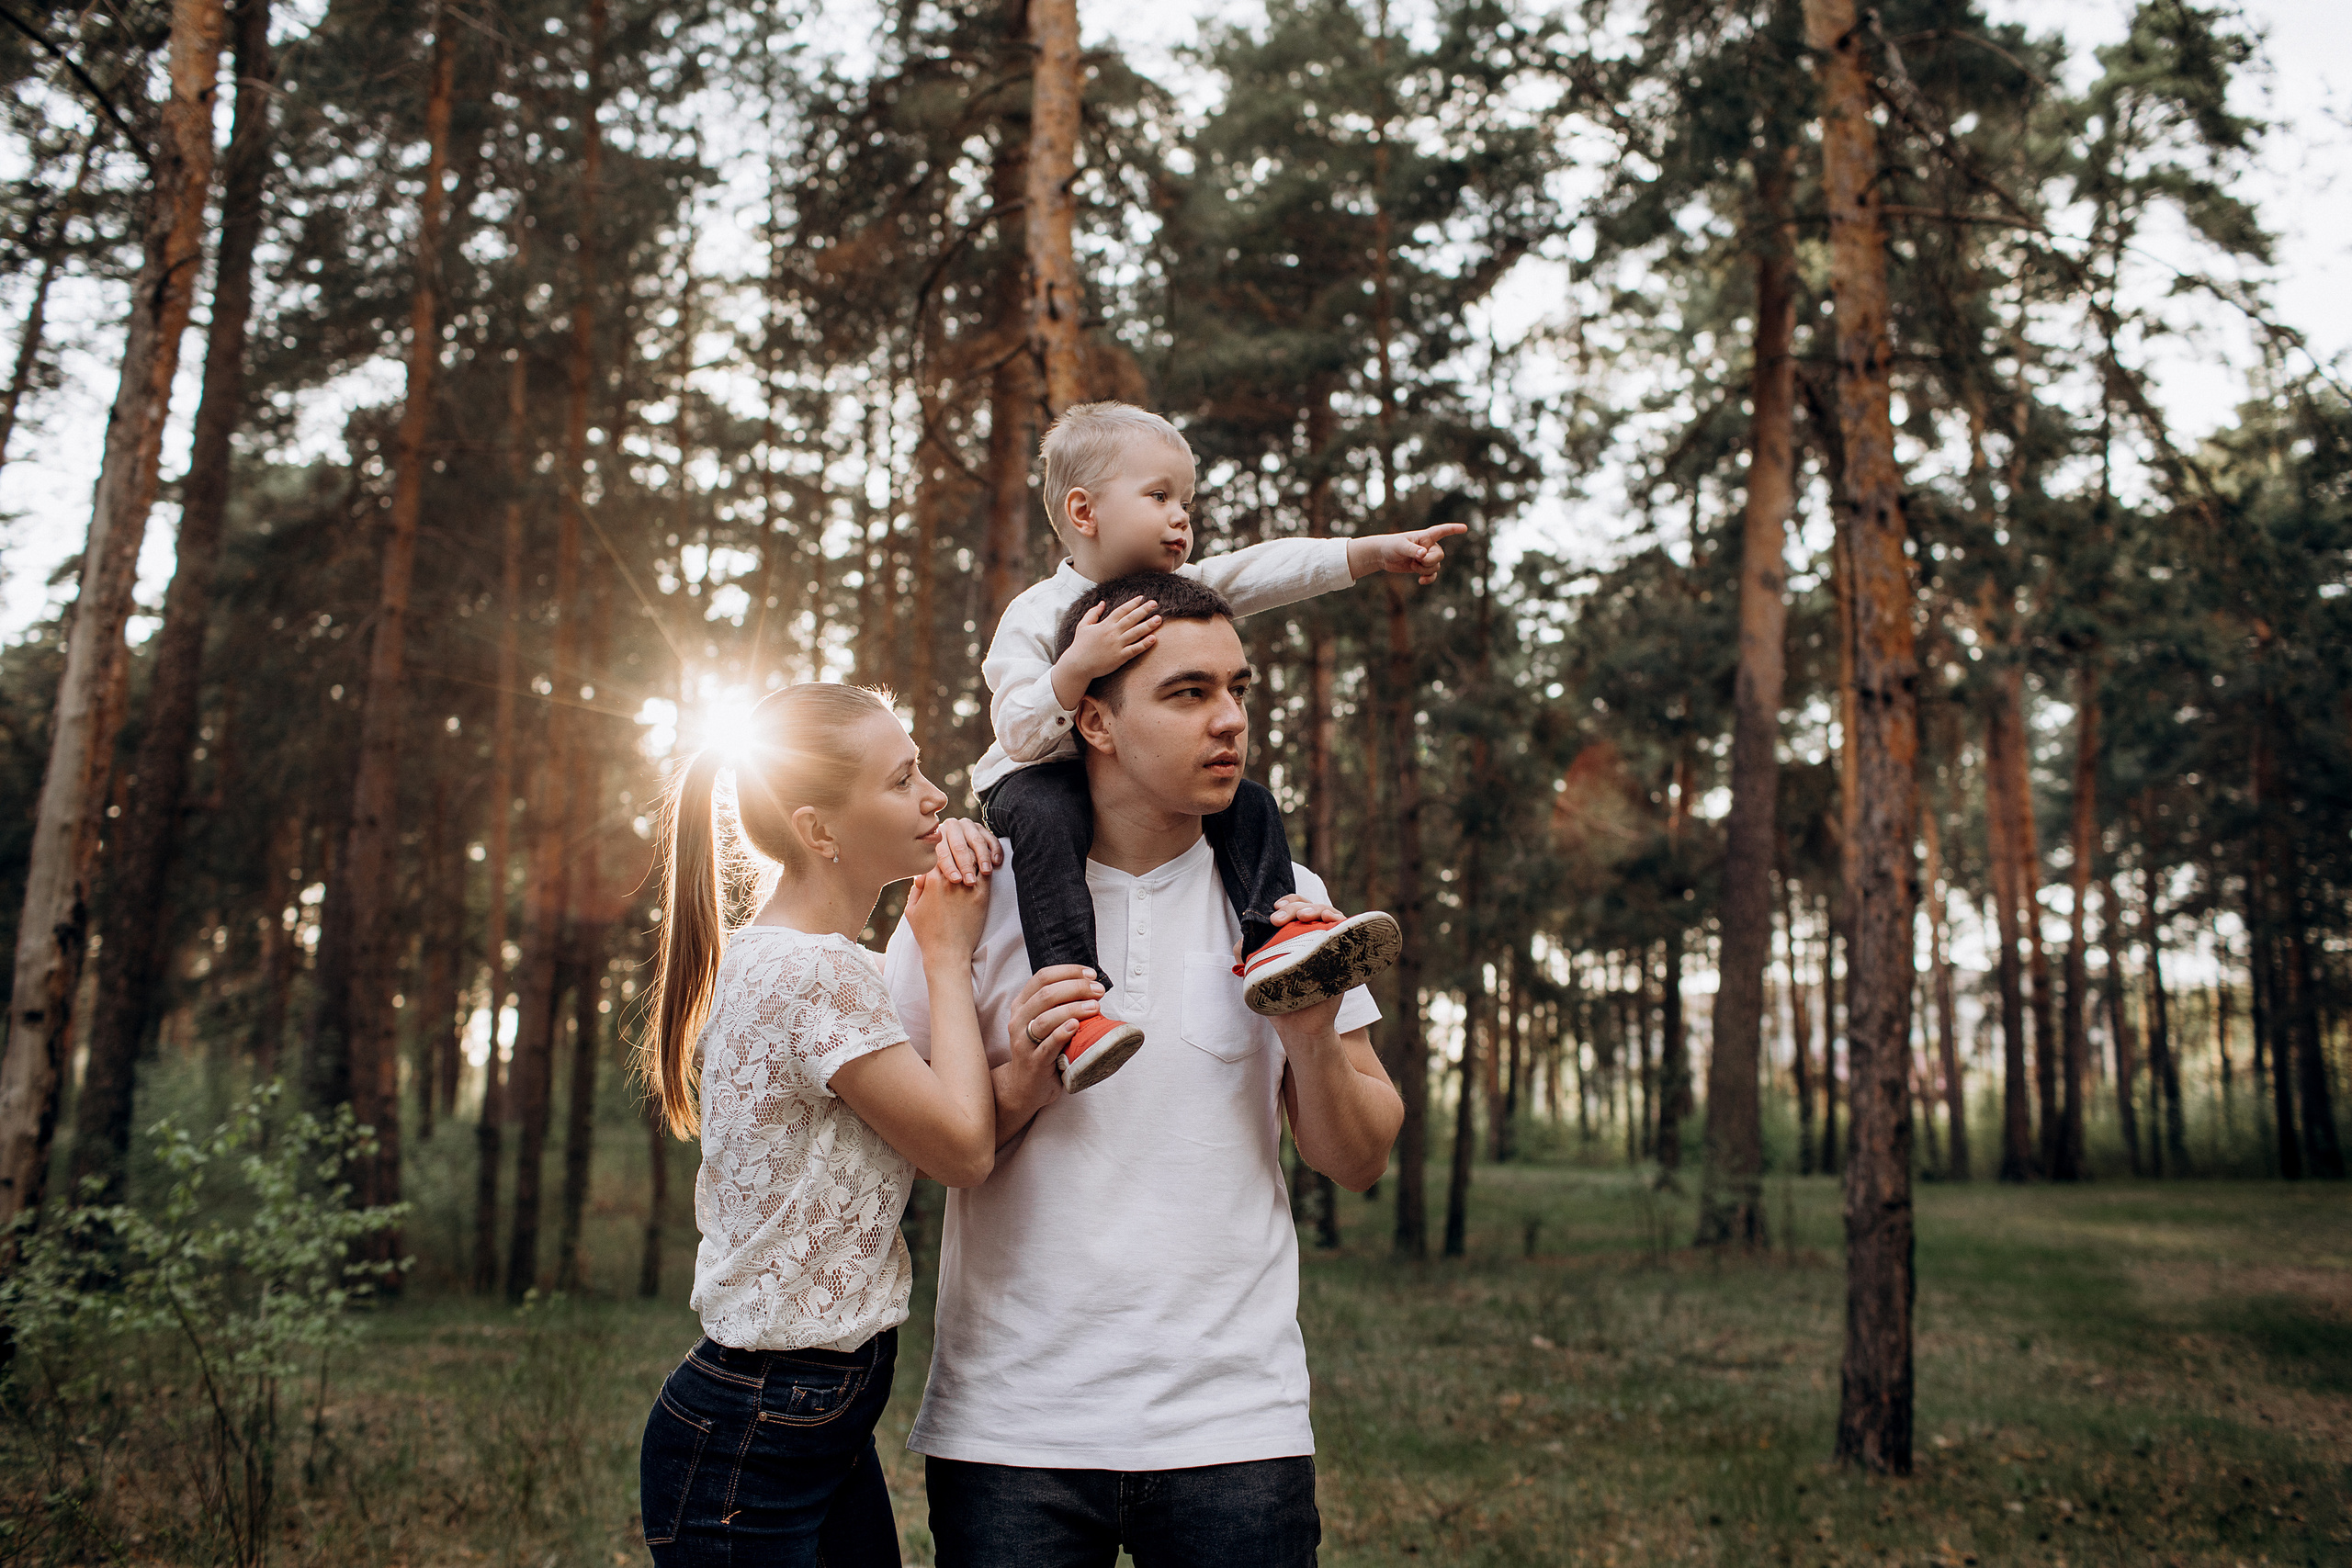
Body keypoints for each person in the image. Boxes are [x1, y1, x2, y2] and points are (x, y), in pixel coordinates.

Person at [885, 571, 1406, 1568]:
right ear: (1094, 721)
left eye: (1238, 690)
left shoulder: (1286, 899)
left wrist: (1308, 1033)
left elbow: (1359, 1157)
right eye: (1186, 693)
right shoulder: (966, 899)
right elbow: (902, 1157)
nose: (1230, 723)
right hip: (1014, 1430)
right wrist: (1021, 1084)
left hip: (1234, 1428)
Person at [962, 400, 1460, 1091]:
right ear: (1084, 512)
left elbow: (1266, 570)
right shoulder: (1037, 614)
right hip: (1036, 778)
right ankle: (1079, 1012)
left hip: (1145, 787)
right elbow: (1015, 729)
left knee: (1250, 804)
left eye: (1187, 501)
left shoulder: (1184, 593)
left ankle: (1271, 939)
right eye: (1160, 495)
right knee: (1052, 823)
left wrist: (1371, 553)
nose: (1181, 517)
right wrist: (1077, 665)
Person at [636, 682, 1007, 1567]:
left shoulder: (799, 963)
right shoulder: (817, 975)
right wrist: (948, 953)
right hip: (758, 1432)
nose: (935, 796)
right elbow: (963, 1150)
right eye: (902, 778)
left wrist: (1018, 1076)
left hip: (802, 1417)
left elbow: (927, 1129)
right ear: (819, 830)